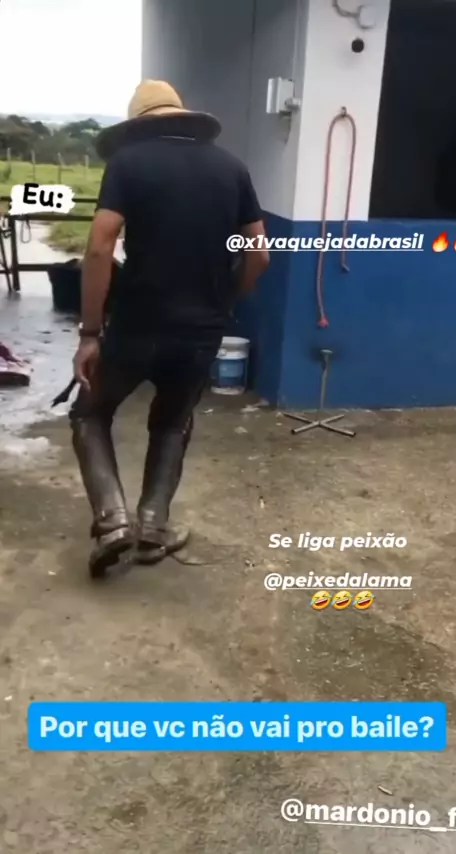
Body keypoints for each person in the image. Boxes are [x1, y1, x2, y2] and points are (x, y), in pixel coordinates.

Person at [70, 80, 269, 578]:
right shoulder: (232, 168)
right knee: (172, 423)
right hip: (200, 331)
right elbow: (259, 253)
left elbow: (100, 246)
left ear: (137, 126)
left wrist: (90, 332)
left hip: (138, 325)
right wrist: (226, 301)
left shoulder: (128, 164)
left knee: (90, 413)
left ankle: (113, 523)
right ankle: (153, 527)